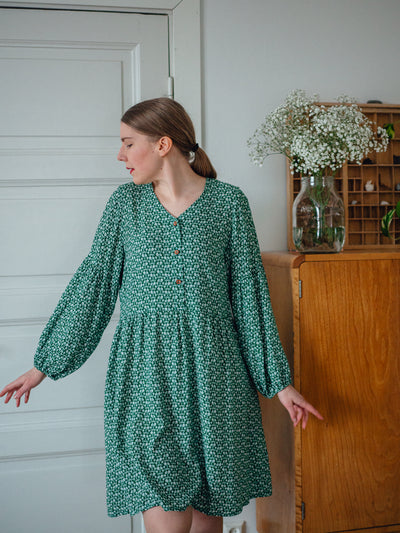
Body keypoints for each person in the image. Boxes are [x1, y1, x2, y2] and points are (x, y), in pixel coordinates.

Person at [0, 97, 323, 533]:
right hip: (145, 382)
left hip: (216, 382)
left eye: (128, 143)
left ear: (163, 144)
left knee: (208, 520)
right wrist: (44, 365)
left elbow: (250, 298)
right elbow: (93, 286)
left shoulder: (228, 204)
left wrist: (279, 384)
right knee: (165, 521)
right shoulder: (125, 206)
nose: (120, 155)